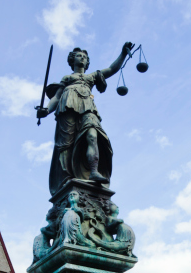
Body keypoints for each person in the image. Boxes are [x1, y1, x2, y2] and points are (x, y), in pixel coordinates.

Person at [36, 42, 134, 195]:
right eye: (78, 56)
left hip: (88, 107)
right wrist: (46, 110)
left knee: (93, 135)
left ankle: (94, 171)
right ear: (72, 60)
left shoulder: (91, 77)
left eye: (84, 57)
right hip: (67, 106)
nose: (81, 58)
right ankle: (66, 179)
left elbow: (111, 69)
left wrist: (123, 54)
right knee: (66, 145)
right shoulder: (67, 78)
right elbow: (56, 97)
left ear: (87, 62)